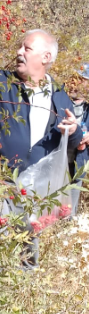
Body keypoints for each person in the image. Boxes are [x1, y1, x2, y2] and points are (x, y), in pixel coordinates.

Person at [0, 13, 83, 267]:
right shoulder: (2, 83)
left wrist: (75, 132)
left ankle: (23, 286)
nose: (19, 52)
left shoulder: (60, 97)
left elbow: (72, 146)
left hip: (35, 194)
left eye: (27, 48)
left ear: (45, 57)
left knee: (26, 259)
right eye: (20, 47)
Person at [68, 84, 89, 216]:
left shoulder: (87, 108)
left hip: (79, 163)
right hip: (58, 162)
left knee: (70, 208)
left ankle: (68, 223)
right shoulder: (60, 102)